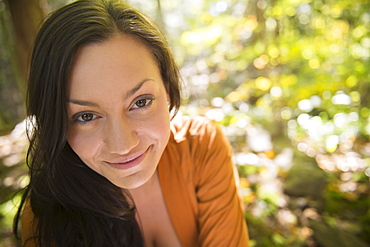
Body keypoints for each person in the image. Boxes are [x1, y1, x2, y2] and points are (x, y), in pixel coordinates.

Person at [13, 0, 249, 246]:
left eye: (141, 102)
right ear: (56, 121)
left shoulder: (200, 147)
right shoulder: (47, 217)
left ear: (167, 90)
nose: (123, 145)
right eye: (86, 116)